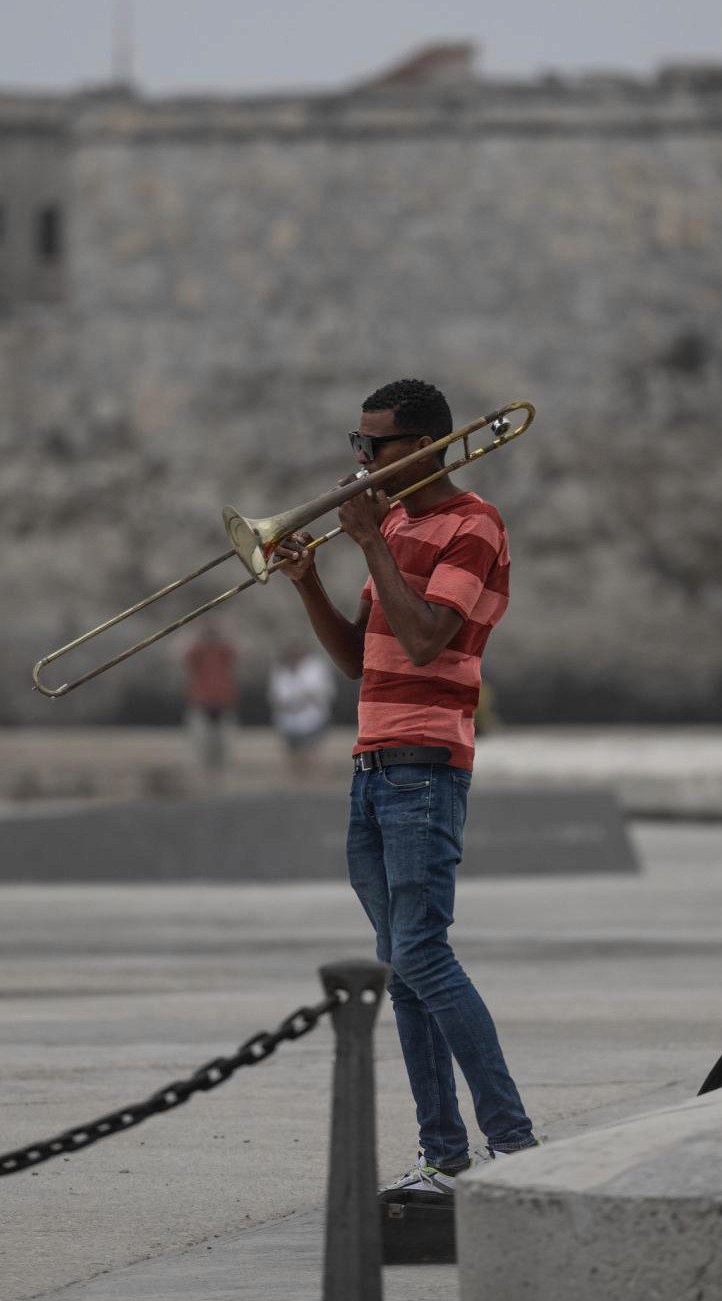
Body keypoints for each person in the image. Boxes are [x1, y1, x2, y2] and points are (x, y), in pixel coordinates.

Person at [272, 377, 539, 1204]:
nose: (358, 462)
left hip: (426, 762)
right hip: (373, 761)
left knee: (422, 951)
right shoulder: (391, 520)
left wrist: (370, 548)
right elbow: (358, 658)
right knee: (404, 964)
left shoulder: (474, 524)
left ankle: (515, 1143)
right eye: (357, 444)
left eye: (373, 446)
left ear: (424, 444)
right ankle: (445, 1151)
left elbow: (426, 639)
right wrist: (309, 579)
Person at [268, 641, 336, 780]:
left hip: (313, 718)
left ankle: (313, 781)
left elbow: (324, 692)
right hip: (288, 721)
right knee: (294, 755)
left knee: (311, 753)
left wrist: (305, 697)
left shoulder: (315, 668)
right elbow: (277, 697)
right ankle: (297, 782)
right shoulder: (280, 671)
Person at [182, 624, 238, 782]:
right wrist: (196, 636)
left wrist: (225, 634)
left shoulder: (224, 650)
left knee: (222, 743)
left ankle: (220, 776)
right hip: (201, 702)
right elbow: (180, 653)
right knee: (202, 742)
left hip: (223, 702)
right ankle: (203, 775)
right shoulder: (196, 651)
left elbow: (240, 650)